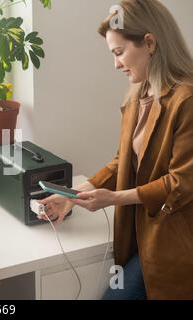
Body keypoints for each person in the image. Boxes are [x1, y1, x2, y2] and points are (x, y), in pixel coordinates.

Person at [39, 0, 193, 300]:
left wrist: (114, 199)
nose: (116, 64)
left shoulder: (186, 101)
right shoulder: (139, 92)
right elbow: (124, 161)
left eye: (119, 53)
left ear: (149, 43)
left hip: (176, 241)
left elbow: (182, 182)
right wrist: (73, 196)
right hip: (143, 234)